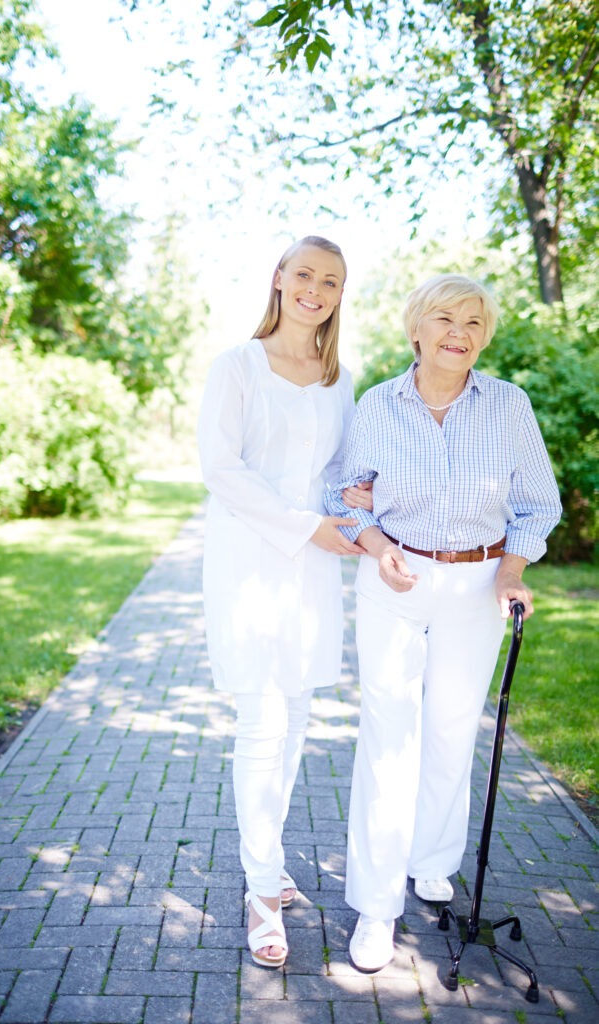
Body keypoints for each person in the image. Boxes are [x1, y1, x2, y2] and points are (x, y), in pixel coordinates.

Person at [325, 273, 562, 974]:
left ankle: (432, 860)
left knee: (453, 726)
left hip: (478, 581)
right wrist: (374, 545)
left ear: (483, 336)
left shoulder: (507, 407)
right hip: (396, 577)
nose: (459, 331)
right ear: (416, 330)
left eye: (473, 322)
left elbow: (537, 505)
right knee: (388, 734)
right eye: (444, 318)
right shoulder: (377, 405)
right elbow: (341, 495)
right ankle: (374, 905)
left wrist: (512, 573)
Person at [197, 236, 371, 969]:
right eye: (303, 274)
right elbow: (220, 468)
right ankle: (261, 891)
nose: (315, 289)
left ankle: (264, 861)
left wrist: (353, 500)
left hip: (312, 572)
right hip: (249, 566)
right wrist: (308, 525)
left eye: (329, 281)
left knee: (296, 718)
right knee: (261, 723)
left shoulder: (339, 379)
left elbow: (336, 472)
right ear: (278, 279)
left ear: (338, 295)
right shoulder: (235, 366)